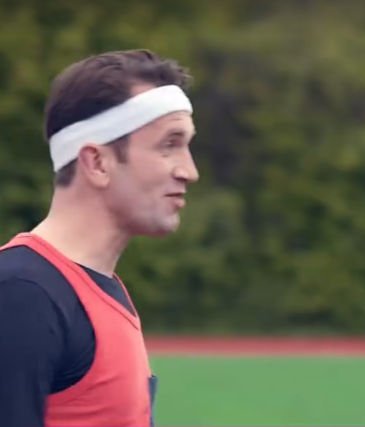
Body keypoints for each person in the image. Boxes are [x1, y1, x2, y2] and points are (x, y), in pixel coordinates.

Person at [0, 49, 199, 427]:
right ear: (97, 162)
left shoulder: (99, 289)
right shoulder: (21, 294)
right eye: (169, 144)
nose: (189, 171)